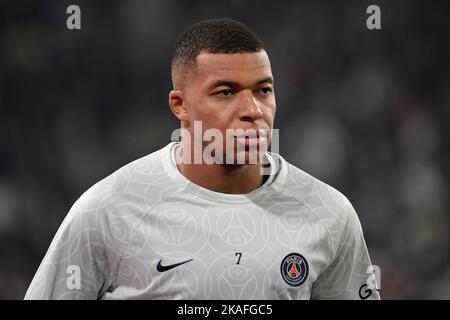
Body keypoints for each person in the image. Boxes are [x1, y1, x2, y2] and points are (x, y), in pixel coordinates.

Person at [25, 18, 380, 300]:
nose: (253, 110)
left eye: (264, 90)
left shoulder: (328, 214)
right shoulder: (108, 211)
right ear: (180, 105)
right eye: (226, 92)